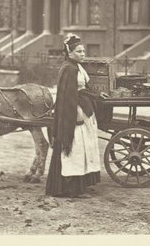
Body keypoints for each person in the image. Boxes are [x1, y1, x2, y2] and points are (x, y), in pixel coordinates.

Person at [45, 33, 107, 198]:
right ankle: (71, 188)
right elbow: (67, 97)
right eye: (79, 51)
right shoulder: (68, 69)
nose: (83, 54)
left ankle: (82, 184)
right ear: (69, 52)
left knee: (84, 148)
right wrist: (75, 115)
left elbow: (82, 89)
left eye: (83, 51)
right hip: (74, 115)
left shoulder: (77, 67)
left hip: (82, 109)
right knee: (75, 149)